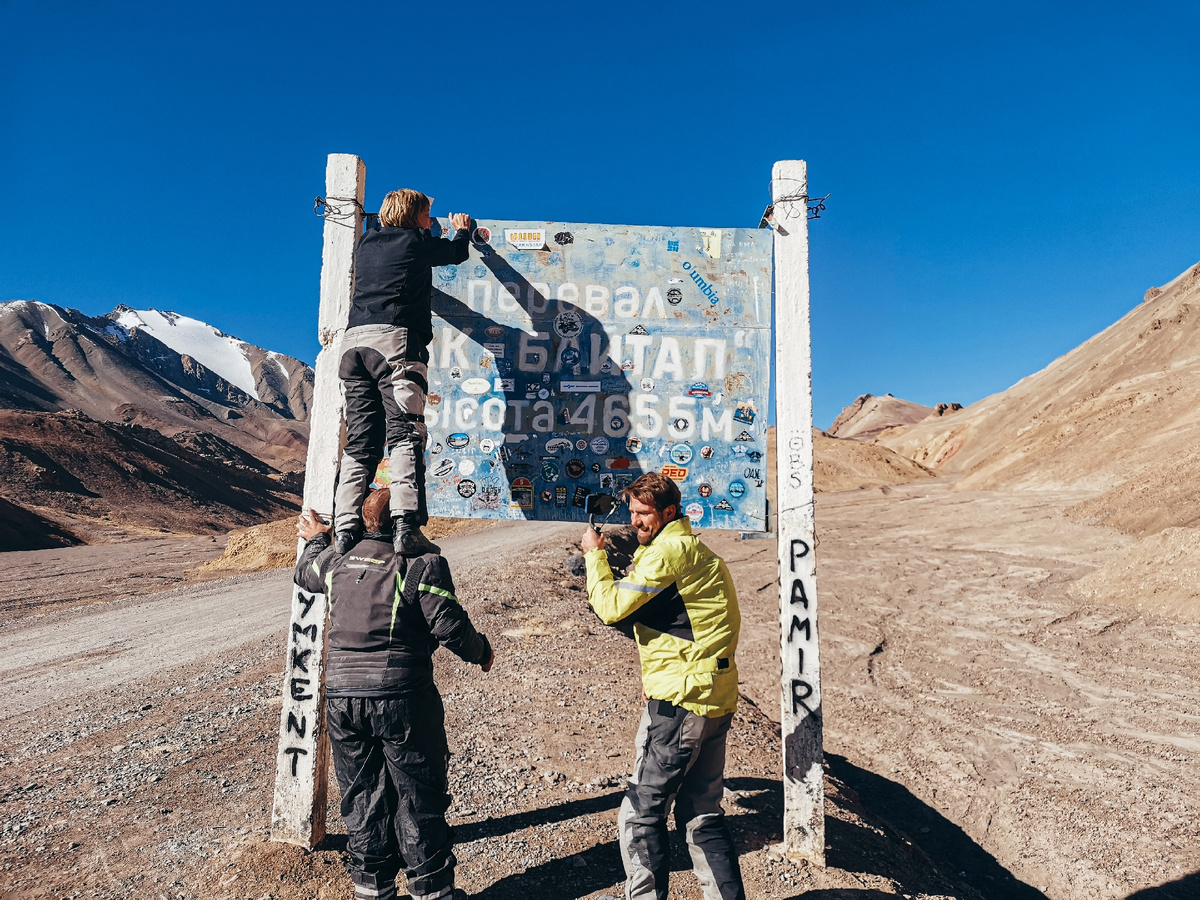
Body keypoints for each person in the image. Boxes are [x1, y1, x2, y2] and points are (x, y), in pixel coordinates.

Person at [295, 488, 493, 900]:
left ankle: (372, 890)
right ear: (408, 519)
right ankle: (432, 891)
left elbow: (305, 573)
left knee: (362, 794)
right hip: (402, 697)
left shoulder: (338, 559)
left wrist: (318, 537)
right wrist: (482, 652)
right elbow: (449, 628)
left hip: (344, 699)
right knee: (417, 792)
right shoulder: (422, 564)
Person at [580, 472, 746, 900]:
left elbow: (612, 609)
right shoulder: (699, 553)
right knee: (702, 814)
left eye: (644, 513)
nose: (635, 521)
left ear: (669, 512)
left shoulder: (668, 552)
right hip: (713, 695)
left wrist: (594, 558)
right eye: (632, 512)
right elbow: (685, 625)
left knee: (641, 816)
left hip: (681, 702)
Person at [333, 189, 474, 557]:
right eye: (429, 213)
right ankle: (405, 526)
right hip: (394, 342)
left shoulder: (367, 241)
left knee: (361, 442)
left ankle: (345, 529)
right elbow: (456, 254)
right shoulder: (414, 240)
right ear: (415, 215)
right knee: (405, 433)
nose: (432, 219)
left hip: (353, 345)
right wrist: (461, 230)